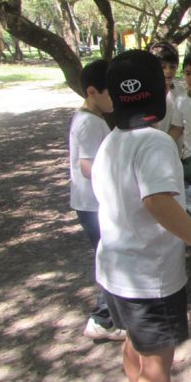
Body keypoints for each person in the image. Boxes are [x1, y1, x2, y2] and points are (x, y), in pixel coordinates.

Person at [92, 49, 191, 382]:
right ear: (160, 92)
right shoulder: (155, 142)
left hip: (115, 272)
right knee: (157, 365)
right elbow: (157, 201)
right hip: (148, 279)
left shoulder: (112, 141)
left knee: (136, 343)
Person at [68, 59, 126, 341]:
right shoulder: (89, 123)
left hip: (93, 203)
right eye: (110, 93)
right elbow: (88, 167)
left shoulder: (91, 117)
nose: (115, 99)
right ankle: (102, 319)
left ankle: (110, 316)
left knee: (111, 258)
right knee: (110, 259)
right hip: (94, 205)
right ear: (92, 92)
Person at [149, 41, 184, 154]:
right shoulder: (146, 94)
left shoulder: (180, 92)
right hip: (150, 150)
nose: (168, 71)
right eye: (163, 67)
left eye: (172, 67)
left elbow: (179, 126)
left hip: (173, 151)